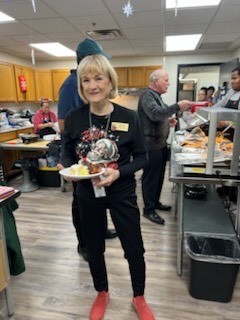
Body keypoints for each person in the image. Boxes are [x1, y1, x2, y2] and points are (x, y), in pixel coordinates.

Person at [60, 54, 155, 320]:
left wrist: (119, 173)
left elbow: (142, 158)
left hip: (121, 191)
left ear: (110, 82)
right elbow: (66, 151)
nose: (92, 85)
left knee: (134, 247)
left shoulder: (128, 117)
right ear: (80, 86)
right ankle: (102, 291)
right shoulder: (74, 117)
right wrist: (67, 168)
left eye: (98, 78)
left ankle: (139, 296)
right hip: (87, 193)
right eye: (86, 80)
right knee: (93, 246)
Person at [57, 39, 117, 261]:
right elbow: (63, 125)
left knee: (97, 195)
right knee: (80, 202)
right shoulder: (71, 85)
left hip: (95, 152)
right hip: (79, 156)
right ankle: (84, 243)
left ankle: (99, 231)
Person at [138, 68, 193, 225]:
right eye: (166, 80)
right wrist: (177, 106)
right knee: (150, 179)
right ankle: (148, 210)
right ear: (156, 81)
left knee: (159, 177)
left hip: (160, 144)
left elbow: (159, 117)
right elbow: (155, 114)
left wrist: (167, 122)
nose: (169, 83)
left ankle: (155, 202)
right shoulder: (147, 96)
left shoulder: (157, 97)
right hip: (151, 146)